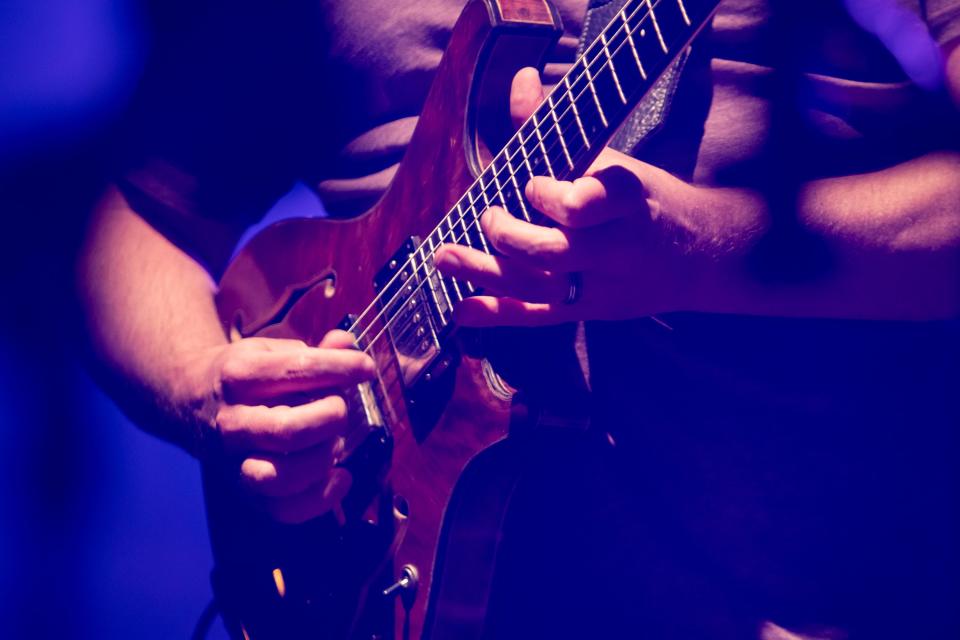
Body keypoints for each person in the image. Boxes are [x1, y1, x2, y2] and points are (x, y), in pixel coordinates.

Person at [79, 0, 960, 637]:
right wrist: (208, 392)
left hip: (808, 590)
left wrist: (713, 246)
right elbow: (137, 219)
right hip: (381, 585)